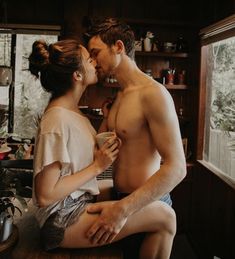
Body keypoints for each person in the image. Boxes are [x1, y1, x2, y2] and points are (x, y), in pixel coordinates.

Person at [29, 39, 176, 258]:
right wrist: (97, 167)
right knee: (166, 217)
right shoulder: (56, 119)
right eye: (89, 59)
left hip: (75, 206)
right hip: (61, 220)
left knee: (117, 187)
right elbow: (45, 194)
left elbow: (83, 147)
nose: (95, 63)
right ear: (77, 75)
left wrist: (107, 119)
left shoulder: (72, 112)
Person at [85, 17, 187, 252]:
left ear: (118, 47)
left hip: (146, 204)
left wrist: (124, 209)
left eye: (96, 53)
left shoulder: (154, 94)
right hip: (117, 200)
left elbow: (177, 167)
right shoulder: (119, 96)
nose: (92, 61)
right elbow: (106, 150)